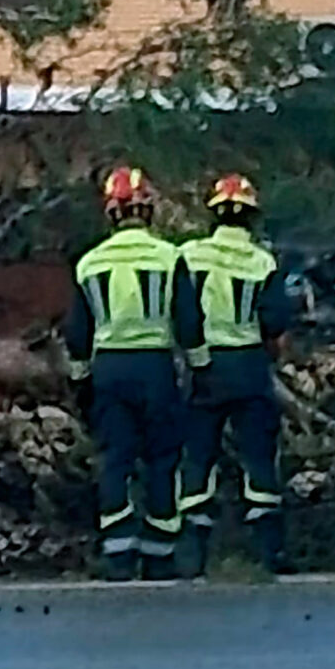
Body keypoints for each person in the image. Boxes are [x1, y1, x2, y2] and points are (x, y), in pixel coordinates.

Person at [64, 166, 201, 581]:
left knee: (115, 459)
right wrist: (201, 369)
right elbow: (188, 321)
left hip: (109, 369)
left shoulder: (89, 263)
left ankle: (118, 555)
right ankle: (160, 556)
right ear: (148, 211)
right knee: (162, 459)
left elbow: (77, 333)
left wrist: (80, 380)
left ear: (111, 213)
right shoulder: (169, 256)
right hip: (155, 367)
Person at [176, 174, 295, 577]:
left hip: (204, 366)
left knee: (198, 455)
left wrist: (194, 357)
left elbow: (181, 313)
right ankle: (269, 551)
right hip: (249, 366)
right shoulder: (262, 262)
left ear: (214, 214)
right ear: (251, 217)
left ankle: (192, 553)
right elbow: (275, 321)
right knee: (259, 456)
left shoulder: (190, 255)